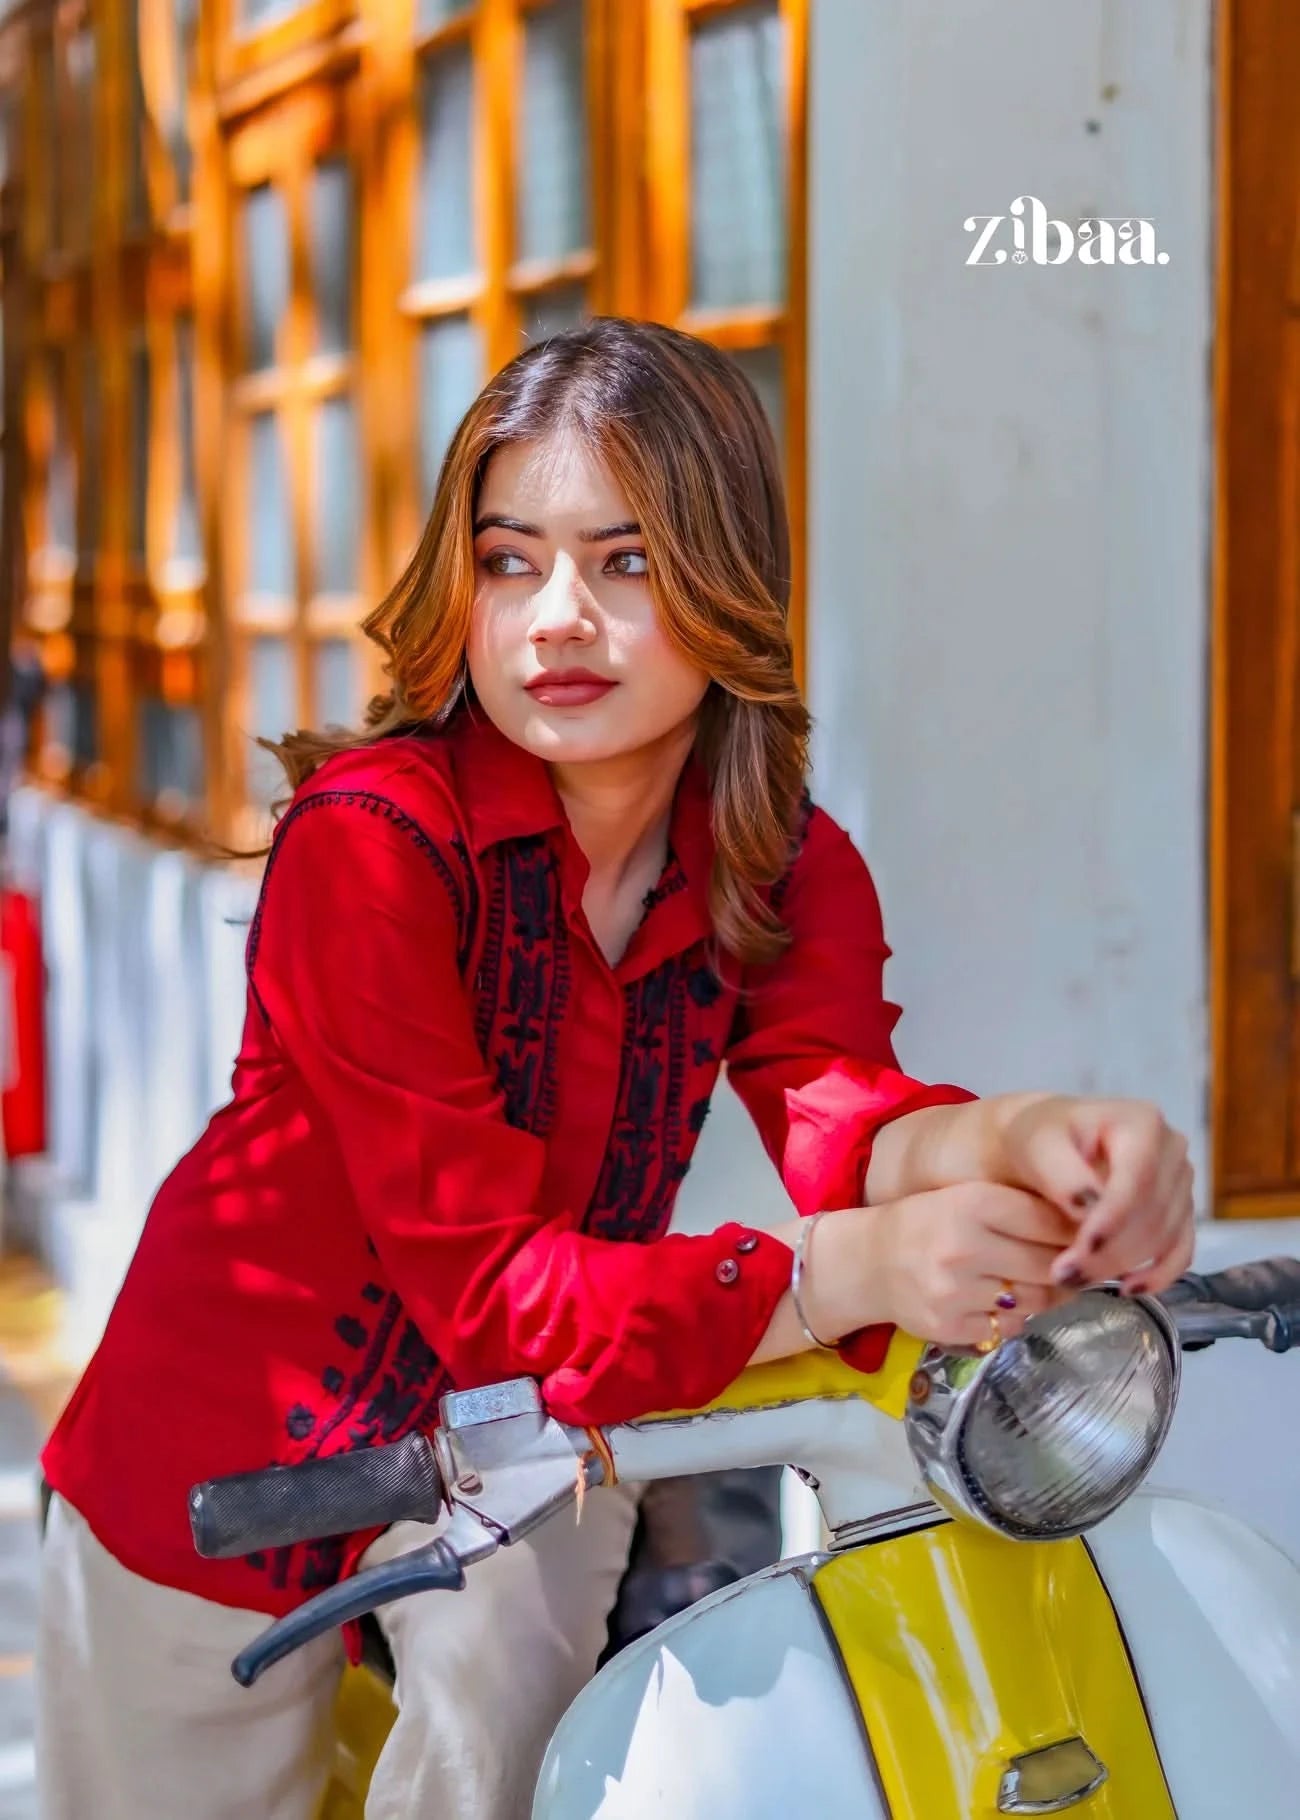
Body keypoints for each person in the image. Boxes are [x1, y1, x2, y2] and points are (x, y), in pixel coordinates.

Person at [35, 317, 1194, 1820]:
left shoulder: (777, 856)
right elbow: (487, 1285)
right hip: (222, 1454)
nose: (553, 621)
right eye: (511, 560)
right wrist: (841, 1274)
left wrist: (1044, 1141)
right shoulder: (373, 847)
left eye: (626, 562)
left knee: (525, 1762)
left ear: (725, 579)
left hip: (535, 1430)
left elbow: (839, 1110)